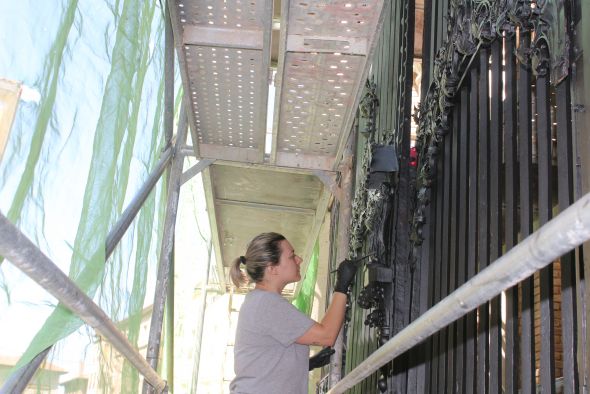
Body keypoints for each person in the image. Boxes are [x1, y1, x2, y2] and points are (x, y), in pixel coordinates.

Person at [229, 232, 358, 394]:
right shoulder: (267, 304)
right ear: (272, 268)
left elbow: (266, 359)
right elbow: (327, 335)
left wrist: (308, 364)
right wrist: (342, 286)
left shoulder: (259, 301)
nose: (299, 260)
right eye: (291, 256)